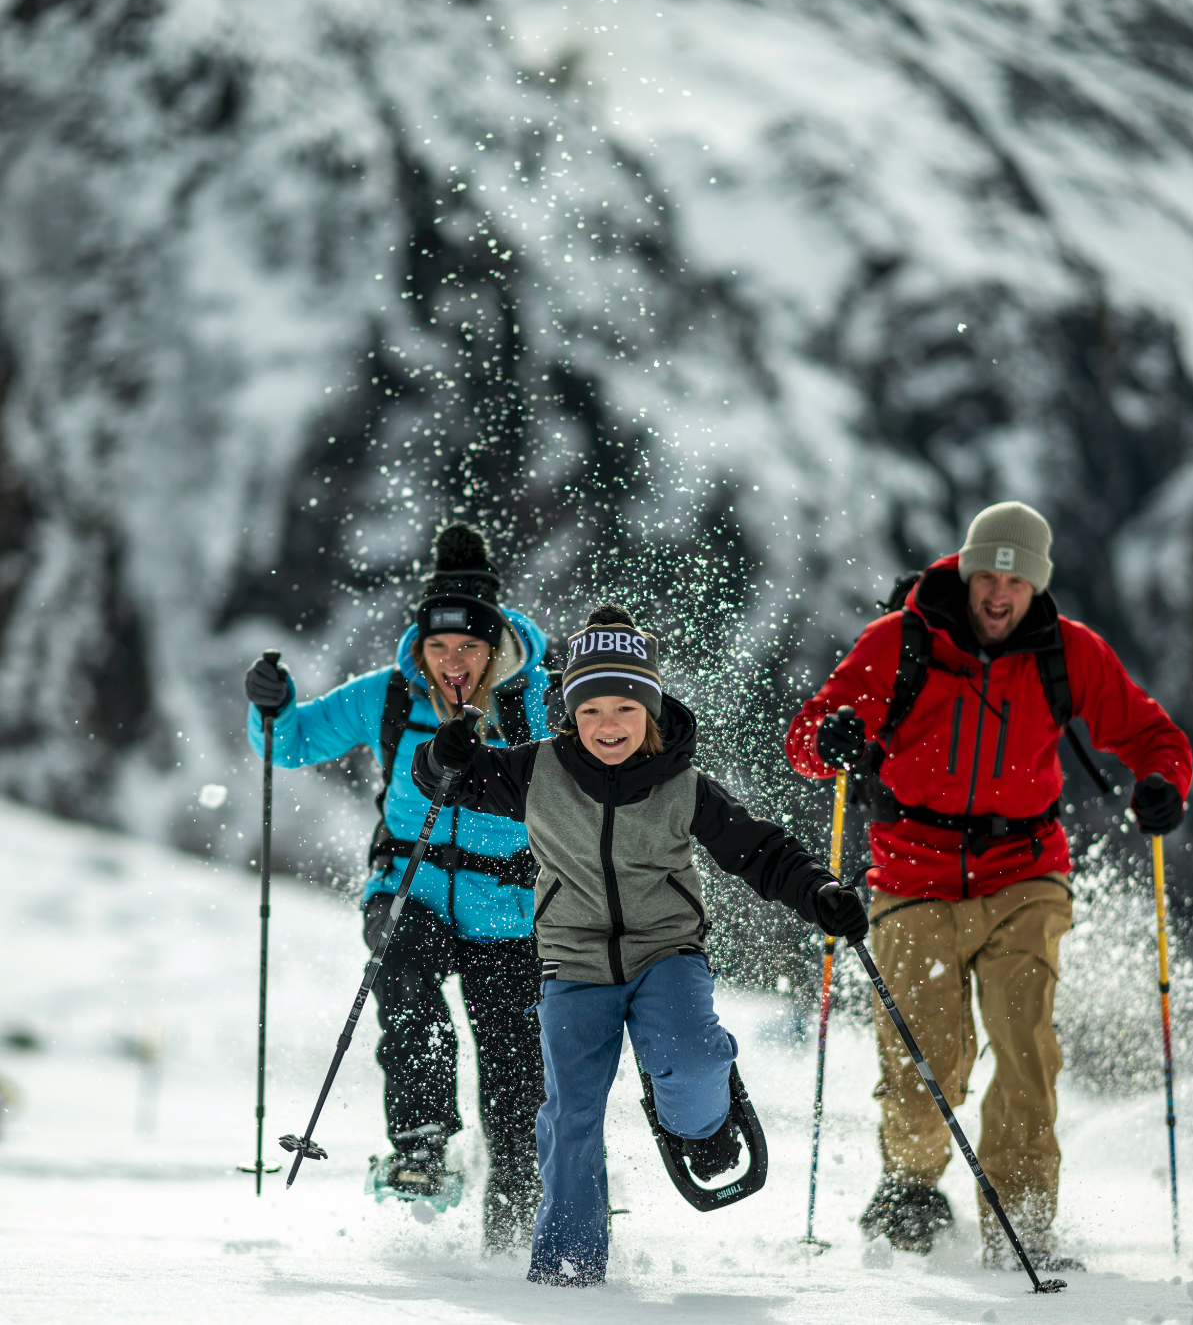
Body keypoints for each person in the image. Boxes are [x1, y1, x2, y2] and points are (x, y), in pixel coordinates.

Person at [411, 601, 869, 1286]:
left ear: (651, 713)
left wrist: (819, 893)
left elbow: (760, 852)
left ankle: (701, 1126)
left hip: (666, 955)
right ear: (570, 715)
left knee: (692, 1053)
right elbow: (447, 779)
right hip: (573, 965)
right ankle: (569, 1266)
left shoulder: (684, 786)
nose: (608, 726)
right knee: (570, 1116)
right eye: (590, 711)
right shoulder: (535, 770)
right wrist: (441, 755)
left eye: (624, 710)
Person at [786, 501, 1192, 1268]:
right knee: (925, 1060)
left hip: (1026, 875)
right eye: (988, 575)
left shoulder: (1068, 654)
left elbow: (1152, 736)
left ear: (1037, 586)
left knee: (1026, 1044)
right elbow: (808, 736)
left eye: (1017, 579)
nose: (999, 594)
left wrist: (1163, 783)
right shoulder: (898, 642)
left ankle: (1024, 1225)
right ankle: (910, 1186)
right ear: (967, 572)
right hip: (911, 872)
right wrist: (831, 738)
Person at [244, 522, 555, 1250]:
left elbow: (599, 764)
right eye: (439, 648)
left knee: (515, 1069)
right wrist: (273, 706)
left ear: (495, 646)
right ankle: (420, 1146)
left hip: (510, 908)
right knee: (406, 986)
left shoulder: (540, 701)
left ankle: (516, 1215)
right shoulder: (390, 695)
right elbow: (291, 742)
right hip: (406, 886)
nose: (452, 663)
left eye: (468, 649)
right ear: (420, 646)